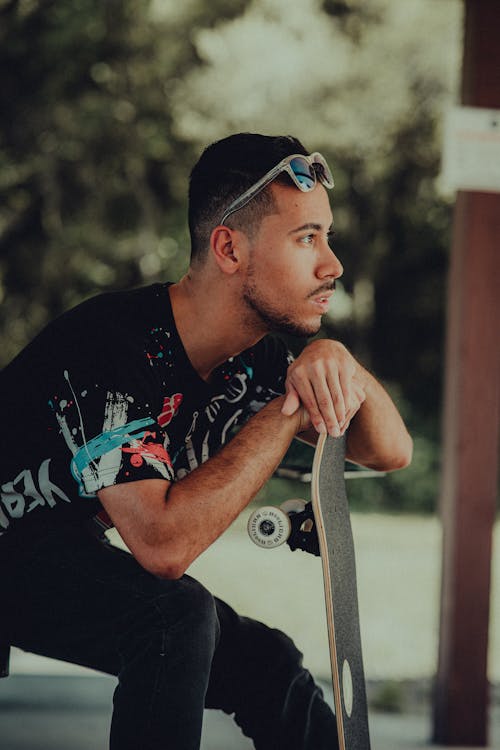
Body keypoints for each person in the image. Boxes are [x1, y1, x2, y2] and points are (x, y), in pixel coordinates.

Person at [0, 133, 412, 749]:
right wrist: (281, 416)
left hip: (49, 552)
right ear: (228, 247)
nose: (333, 264)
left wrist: (335, 359)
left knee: (266, 664)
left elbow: (389, 450)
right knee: (173, 613)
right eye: (307, 238)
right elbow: (163, 548)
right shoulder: (111, 347)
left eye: (327, 237)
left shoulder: (257, 361)